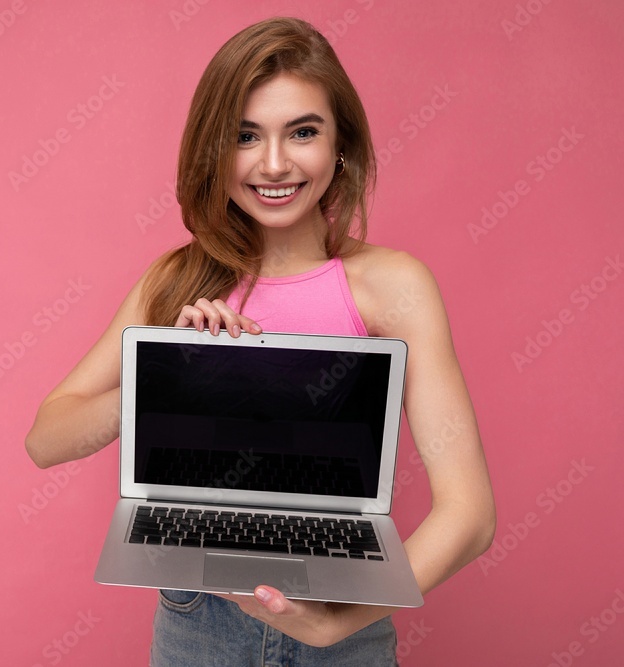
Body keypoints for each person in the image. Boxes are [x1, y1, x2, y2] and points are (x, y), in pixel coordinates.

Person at [25, 16, 496, 666]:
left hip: (344, 629)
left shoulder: (394, 285)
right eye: (246, 136)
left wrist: (337, 623)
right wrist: (171, 376)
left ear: (341, 145)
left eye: (302, 131)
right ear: (213, 151)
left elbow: (469, 514)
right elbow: (45, 440)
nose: (274, 163)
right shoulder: (175, 280)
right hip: (199, 624)